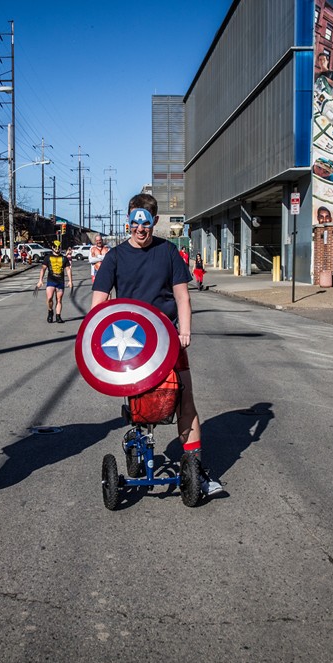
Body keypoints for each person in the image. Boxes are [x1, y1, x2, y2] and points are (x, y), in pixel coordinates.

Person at [92, 193, 223, 497]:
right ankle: (136, 438)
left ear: (155, 222)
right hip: (131, 346)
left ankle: (196, 469)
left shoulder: (168, 253)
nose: (140, 229)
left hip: (169, 338)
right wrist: (98, 340)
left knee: (184, 400)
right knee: (142, 408)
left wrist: (186, 331)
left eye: (146, 223)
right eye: (135, 222)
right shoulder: (114, 257)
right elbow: (98, 304)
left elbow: (182, 297)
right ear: (128, 221)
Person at [36, 239, 72, 323]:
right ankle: (50, 311)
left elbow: (68, 270)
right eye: (55, 247)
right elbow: (43, 269)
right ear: (52, 247)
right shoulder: (47, 257)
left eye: (59, 247)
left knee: (59, 300)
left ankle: (58, 316)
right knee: (49, 299)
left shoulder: (64, 258)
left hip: (60, 281)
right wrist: (40, 280)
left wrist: (70, 281)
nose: (57, 248)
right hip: (51, 281)